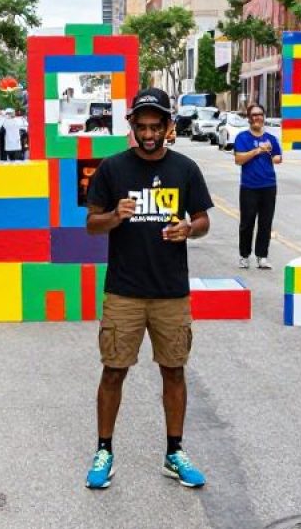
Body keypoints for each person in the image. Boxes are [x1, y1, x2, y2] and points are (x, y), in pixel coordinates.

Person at [83, 87, 213, 491]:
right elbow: (91, 224)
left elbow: (203, 220)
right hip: (124, 291)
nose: (149, 133)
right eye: (142, 127)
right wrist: (113, 216)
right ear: (132, 127)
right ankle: (104, 451)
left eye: (156, 126)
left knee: (174, 371)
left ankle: (175, 453)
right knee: (113, 371)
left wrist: (188, 229)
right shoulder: (112, 169)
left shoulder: (185, 169)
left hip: (171, 292)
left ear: (168, 126)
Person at [233, 102, 282, 270]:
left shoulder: (271, 138)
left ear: (263, 117)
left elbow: (277, 158)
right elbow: (238, 159)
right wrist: (257, 151)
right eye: (254, 115)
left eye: (260, 115)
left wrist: (272, 154)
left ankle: (262, 256)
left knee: (265, 223)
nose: (257, 118)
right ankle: (244, 255)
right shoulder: (242, 138)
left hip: (269, 185)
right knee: (247, 222)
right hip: (249, 186)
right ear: (249, 118)